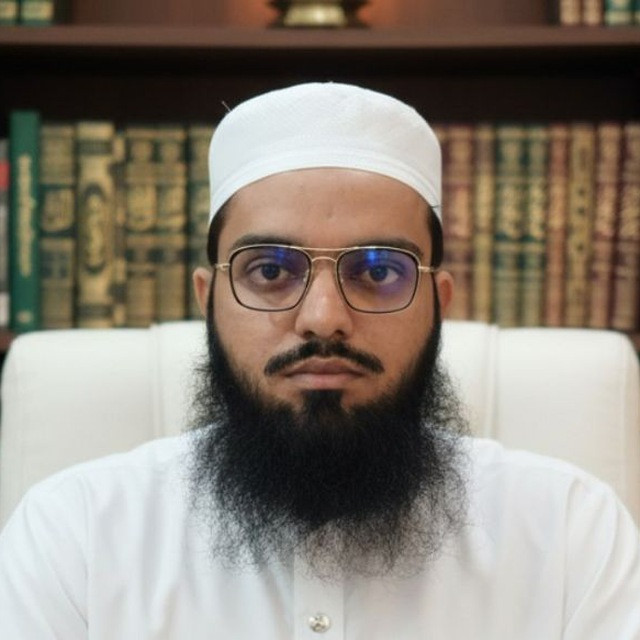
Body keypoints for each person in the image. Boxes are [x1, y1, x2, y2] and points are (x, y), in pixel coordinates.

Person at [1, 82, 639, 638]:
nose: (324, 318)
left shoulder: (570, 533)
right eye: (270, 270)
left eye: (379, 271)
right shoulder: (75, 535)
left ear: (438, 304)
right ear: (208, 300)